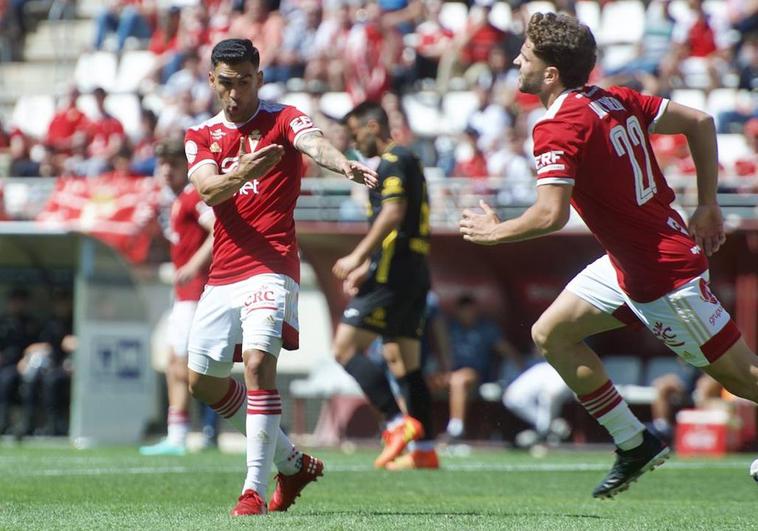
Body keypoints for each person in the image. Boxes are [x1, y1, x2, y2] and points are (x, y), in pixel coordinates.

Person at [459, 12, 758, 499]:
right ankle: (633, 442)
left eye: (526, 54)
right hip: (630, 261)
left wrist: (494, 234)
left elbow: (550, 216)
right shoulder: (613, 96)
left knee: (742, 378)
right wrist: (707, 205)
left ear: (550, 72)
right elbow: (699, 123)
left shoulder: (557, 127)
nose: (516, 60)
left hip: (663, 274)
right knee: (551, 333)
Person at [184, 39, 377, 516]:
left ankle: (251, 490)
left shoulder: (284, 118)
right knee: (201, 383)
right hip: (223, 272)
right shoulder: (201, 134)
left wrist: (342, 164)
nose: (235, 94)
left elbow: (313, 142)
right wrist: (247, 168)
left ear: (259, 78)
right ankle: (292, 462)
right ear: (212, 80)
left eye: (244, 82)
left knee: (255, 365)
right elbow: (209, 190)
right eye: (226, 83)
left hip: (272, 265)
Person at [332, 101, 438, 471]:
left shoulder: (393, 161)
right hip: (412, 269)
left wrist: (359, 258)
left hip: (393, 274)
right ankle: (424, 450)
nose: (353, 140)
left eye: (355, 131)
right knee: (403, 361)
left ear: (373, 126)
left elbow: (393, 214)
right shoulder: (409, 160)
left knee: (344, 349)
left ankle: (397, 424)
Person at [140, 137, 215, 457]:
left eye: (173, 163)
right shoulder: (173, 201)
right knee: (179, 363)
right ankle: (179, 433)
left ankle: (179, 434)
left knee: (182, 363)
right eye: (163, 164)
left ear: (186, 167)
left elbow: (217, 230)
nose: (166, 169)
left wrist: (192, 266)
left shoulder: (192, 196)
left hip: (196, 290)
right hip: (185, 291)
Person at [443, 293, 522, 441]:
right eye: (465, 310)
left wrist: (522, 369)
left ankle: (456, 429)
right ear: (458, 311)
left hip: (475, 375)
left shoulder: (486, 328)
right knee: (428, 382)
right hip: (449, 373)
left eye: (471, 310)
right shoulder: (450, 327)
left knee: (459, 380)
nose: (469, 314)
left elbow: (507, 350)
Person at [16, 288, 75, 437]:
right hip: (48, 365)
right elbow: (39, 344)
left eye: (63, 302)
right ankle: (28, 424)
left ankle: (54, 426)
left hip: (67, 366)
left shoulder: (75, 321)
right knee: (30, 380)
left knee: (52, 381)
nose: (60, 306)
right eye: (58, 303)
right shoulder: (50, 323)